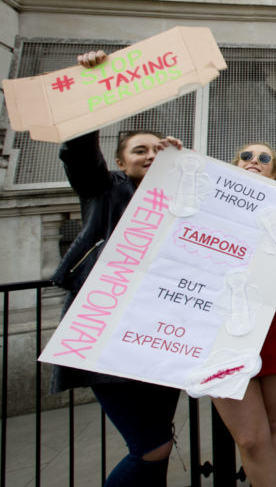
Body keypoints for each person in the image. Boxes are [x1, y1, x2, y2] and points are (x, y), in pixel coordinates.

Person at [50, 52, 183, 486]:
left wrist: (183, 165)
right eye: (137, 151)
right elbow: (79, 153)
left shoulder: (177, 200)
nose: (148, 156)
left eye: (154, 149)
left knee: (159, 444)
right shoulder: (104, 192)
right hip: (106, 338)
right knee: (151, 447)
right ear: (121, 163)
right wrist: (92, 89)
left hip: (160, 337)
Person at [211, 142, 276, 487]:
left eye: (264, 158)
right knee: (251, 438)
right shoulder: (212, 205)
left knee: (273, 422)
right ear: (235, 164)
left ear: (275, 171)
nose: (254, 161)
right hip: (223, 324)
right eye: (246, 156)